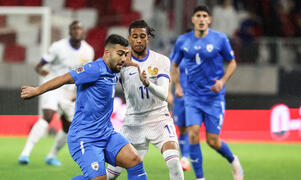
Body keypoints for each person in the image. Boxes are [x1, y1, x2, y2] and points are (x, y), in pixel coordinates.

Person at [20, 34, 148, 180]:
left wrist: (137, 67)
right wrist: (37, 90)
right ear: (107, 53)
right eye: (120, 54)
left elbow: (128, 64)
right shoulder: (93, 69)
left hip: (106, 134)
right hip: (85, 137)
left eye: (126, 54)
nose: (124, 59)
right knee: (99, 179)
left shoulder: (114, 68)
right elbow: (64, 78)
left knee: (135, 161)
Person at [171, 5, 244, 180]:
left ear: (210, 19)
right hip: (192, 97)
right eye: (198, 15)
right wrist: (178, 86)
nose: (202, 18)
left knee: (213, 141)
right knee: (193, 133)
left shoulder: (220, 39)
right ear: (193, 19)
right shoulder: (183, 41)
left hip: (213, 98)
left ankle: (233, 161)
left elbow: (232, 62)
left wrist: (222, 81)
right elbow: (174, 65)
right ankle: (200, 178)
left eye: (205, 16)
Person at [107, 20, 184, 180]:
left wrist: (148, 83)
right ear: (129, 38)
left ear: (148, 38)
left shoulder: (161, 60)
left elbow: (163, 94)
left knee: (174, 162)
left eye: (142, 36)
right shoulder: (122, 63)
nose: (139, 40)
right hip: (133, 122)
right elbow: (106, 84)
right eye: (135, 36)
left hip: (159, 119)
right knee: (111, 174)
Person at [18, 20, 94, 166]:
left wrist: (78, 93)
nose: (77, 31)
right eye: (74, 28)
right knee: (48, 116)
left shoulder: (88, 51)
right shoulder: (58, 46)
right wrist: (42, 71)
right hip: (53, 86)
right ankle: (25, 153)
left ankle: (52, 155)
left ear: (83, 32)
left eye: (80, 28)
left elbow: (85, 75)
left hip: (70, 91)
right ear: (70, 31)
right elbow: (39, 66)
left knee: (69, 126)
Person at [167, 57, 190, 171]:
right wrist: (169, 92)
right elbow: (171, 73)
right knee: (182, 129)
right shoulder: (178, 55)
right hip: (180, 97)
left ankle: (186, 157)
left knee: (193, 128)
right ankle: (184, 157)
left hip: (194, 97)